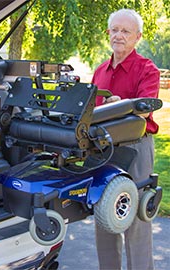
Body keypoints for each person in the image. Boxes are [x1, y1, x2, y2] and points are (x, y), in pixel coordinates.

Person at [91, 9, 160, 270]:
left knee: (136, 220)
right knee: (105, 216)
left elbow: (144, 109)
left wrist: (120, 105)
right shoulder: (100, 71)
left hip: (136, 148)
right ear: (108, 33)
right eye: (115, 30)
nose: (119, 35)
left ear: (137, 37)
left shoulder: (148, 69)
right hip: (103, 150)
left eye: (126, 31)